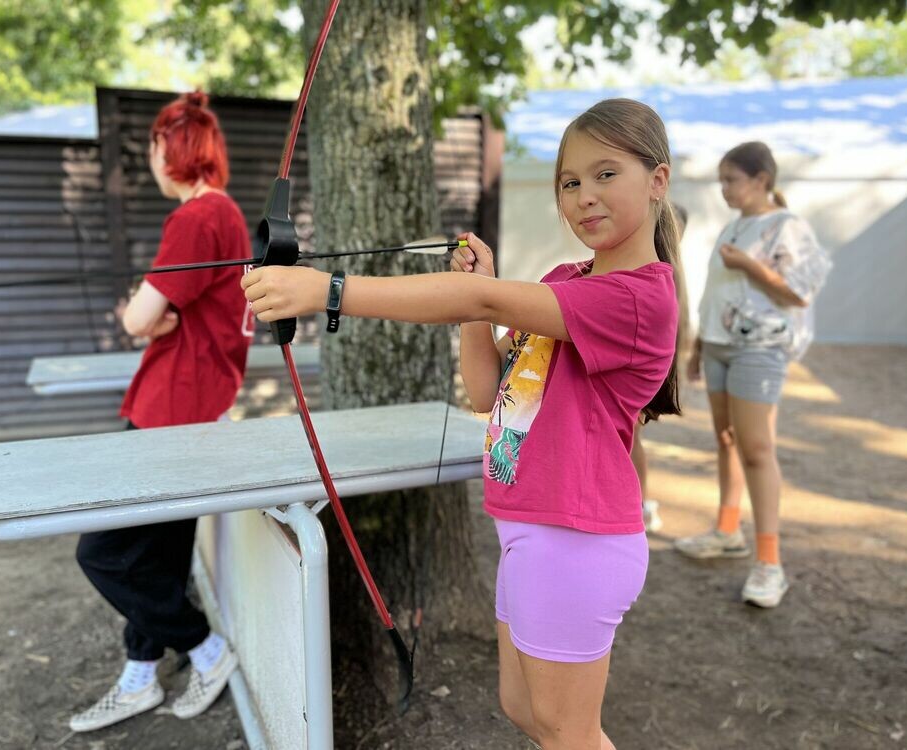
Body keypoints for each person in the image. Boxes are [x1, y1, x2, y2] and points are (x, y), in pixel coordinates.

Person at [242, 98, 682, 750]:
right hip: (531, 529)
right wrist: (483, 298)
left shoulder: (640, 297)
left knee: (568, 732)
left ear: (657, 181)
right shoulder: (567, 281)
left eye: (605, 174)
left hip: (576, 539)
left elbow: (480, 297)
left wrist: (328, 290)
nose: (584, 195)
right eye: (569, 182)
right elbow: (488, 390)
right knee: (524, 708)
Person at [70, 92, 250, 732]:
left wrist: (144, 315)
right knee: (161, 554)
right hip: (193, 405)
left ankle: (205, 648)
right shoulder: (224, 214)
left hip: (172, 409)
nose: (150, 160)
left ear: (169, 150)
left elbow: (137, 317)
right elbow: (164, 311)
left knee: (103, 552)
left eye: (152, 147)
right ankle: (140, 673)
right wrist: (156, 315)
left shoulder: (197, 218)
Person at [675, 141, 831, 608]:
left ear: (761, 180)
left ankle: (769, 563)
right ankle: (727, 531)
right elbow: (718, 292)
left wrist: (749, 265)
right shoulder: (734, 225)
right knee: (726, 440)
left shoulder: (788, 226)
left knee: (757, 449)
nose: (724, 189)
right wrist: (700, 346)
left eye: (731, 179)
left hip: (759, 349)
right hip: (719, 347)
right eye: (721, 180)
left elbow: (799, 293)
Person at [633, 203, 687, 532]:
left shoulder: (662, 276)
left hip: (643, 372)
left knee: (631, 436)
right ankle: (640, 502)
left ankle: (641, 503)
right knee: (631, 437)